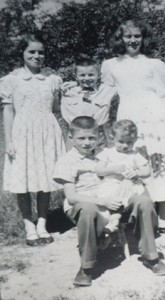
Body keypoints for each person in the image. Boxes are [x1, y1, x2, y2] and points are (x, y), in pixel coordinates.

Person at [53, 116, 165, 287]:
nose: (87, 143)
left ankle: (151, 256)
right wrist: (103, 201)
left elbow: (132, 169)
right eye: (81, 138)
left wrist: (131, 177)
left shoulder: (104, 154)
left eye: (91, 138)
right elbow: (72, 197)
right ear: (71, 138)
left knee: (143, 201)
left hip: (115, 200)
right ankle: (87, 267)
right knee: (88, 209)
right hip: (85, 203)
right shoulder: (67, 162)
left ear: (99, 137)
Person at [101, 19, 165, 233]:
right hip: (129, 117)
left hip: (156, 116)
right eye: (128, 36)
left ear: (143, 38)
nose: (133, 40)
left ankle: (163, 215)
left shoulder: (154, 64)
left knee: (160, 162)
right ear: (120, 38)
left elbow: (164, 96)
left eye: (137, 36)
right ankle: (138, 212)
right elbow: (104, 95)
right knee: (132, 163)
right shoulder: (111, 65)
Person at [0, 33, 66, 246]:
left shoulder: (52, 80)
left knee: (45, 180)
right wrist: (8, 141)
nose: (37, 56)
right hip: (23, 133)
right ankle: (29, 226)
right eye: (32, 52)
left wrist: (69, 95)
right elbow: (8, 112)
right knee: (24, 180)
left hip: (47, 132)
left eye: (41, 52)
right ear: (22, 53)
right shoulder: (11, 81)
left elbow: (56, 108)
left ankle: (42, 225)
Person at [95, 119, 151, 231]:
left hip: (131, 184)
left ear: (135, 140)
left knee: (133, 196)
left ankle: (118, 220)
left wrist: (137, 173)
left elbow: (147, 171)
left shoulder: (135, 155)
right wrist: (112, 169)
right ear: (112, 138)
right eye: (121, 142)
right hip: (112, 183)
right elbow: (98, 170)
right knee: (112, 196)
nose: (125, 146)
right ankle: (111, 221)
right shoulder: (107, 153)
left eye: (129, 142)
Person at [61, 58, 117, 150]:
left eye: (91, 75)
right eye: (82, 75)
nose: (87, 78)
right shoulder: (69, 92)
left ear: (99, 75)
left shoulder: (106, 91)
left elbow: (124, 85)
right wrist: (76, 84)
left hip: (98, 136)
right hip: (76, 136)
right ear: (75, 76)